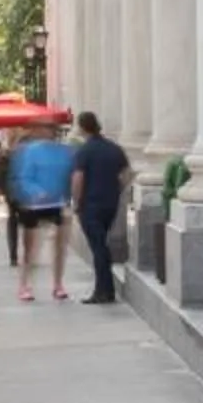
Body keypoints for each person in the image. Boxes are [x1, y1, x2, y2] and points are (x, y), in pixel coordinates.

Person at [6, 117, 76, 302]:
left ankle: (58, 284)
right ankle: (24, 285)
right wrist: (35, 191)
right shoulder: (28, 151)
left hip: (59, 202)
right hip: (34, 204)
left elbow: (72, 174)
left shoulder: (66, 151)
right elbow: (23, 177)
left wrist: (70, 196)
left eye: (50, 128)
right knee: (30, 247)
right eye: (44, 128)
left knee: (60, 245)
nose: (48, 132)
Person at [68, 110, 130, 305]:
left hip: (91, 205)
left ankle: (104, 291)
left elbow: (78, 179)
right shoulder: (114, 148)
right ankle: (105, 289)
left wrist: (76, 202)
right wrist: (117, 190)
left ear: (82, 127)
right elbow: (127, 174)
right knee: (101, 244)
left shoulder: (84, 151)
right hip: (110, 204)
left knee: (98, 248)